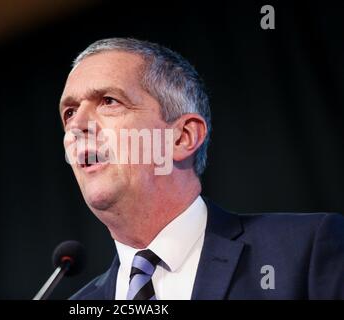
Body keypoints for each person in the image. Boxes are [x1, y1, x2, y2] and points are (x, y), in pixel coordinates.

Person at [58, 38, 344, 300]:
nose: (76, 126)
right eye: (69, 112)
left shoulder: (306, 251)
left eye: (109, 101)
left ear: (183, 137)